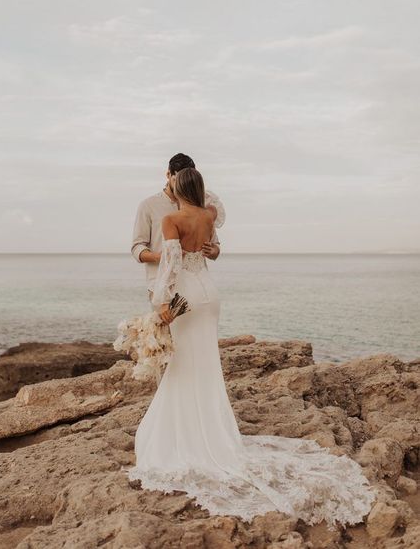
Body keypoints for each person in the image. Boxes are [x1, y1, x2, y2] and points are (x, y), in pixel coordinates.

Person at [123, 168, 377, 526]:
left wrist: (163, 304)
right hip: (210, 295)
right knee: (206, 364)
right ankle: (213, 431)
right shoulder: (209, 215)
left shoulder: (170, 219)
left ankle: (189, 436)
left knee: (184, 364)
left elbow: (171, 265)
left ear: (177, 188)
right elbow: (210, 245)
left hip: (186, 297)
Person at [131, 153, 225, 309]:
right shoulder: (148, 205)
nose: (182, 185)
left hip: (195, 287)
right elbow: (136, 248)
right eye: (177, 180)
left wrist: (213, 250)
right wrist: (161, 257)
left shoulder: (203, 207)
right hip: (161, 286)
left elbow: (216, 248)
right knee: (165, 333)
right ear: (168, 174)